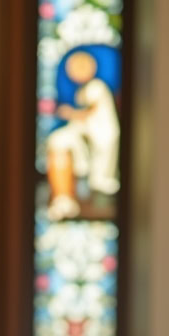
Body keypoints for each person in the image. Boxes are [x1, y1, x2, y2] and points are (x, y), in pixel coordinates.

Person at [46, 48, 120, 220]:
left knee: (60, 141)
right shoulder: (83, 89)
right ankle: (63, 198)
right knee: (57, 142)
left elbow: (91, 111)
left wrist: (71, 114)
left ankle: (70, 199)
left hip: (100, 134)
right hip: (85, 132)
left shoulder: (96, 86)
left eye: (82, 65)